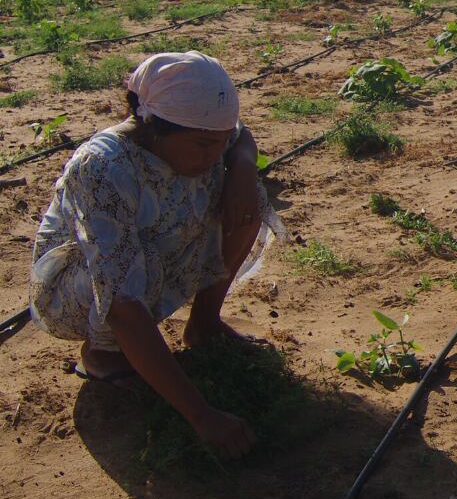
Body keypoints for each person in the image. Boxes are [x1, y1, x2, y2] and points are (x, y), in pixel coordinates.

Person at [29, 52, 283, 459]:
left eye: (219, 142)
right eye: (204, 145)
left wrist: (242, 167)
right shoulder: (103, 168)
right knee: (132, 266)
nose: (213, 153)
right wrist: (201, 415)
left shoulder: (200, 128)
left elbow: (240, 136)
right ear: (155, 127)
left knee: (248, 198)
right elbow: (120, 302)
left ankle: (203, 325)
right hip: (74, 291)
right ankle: (103, 354)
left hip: (148, 254)